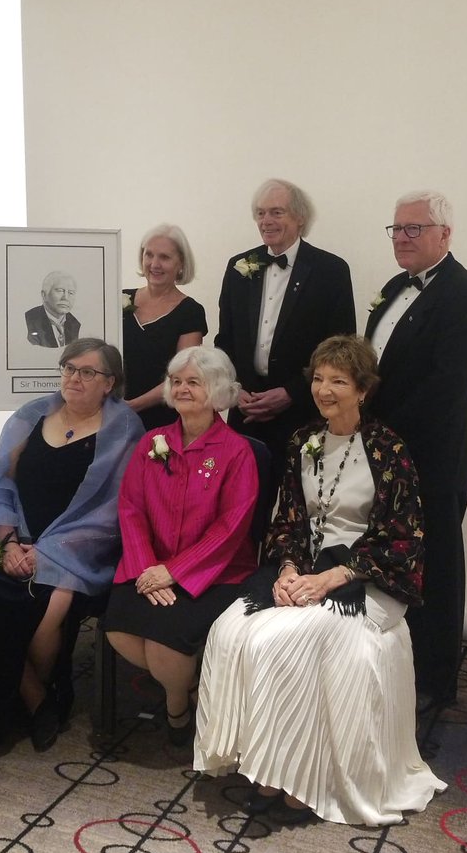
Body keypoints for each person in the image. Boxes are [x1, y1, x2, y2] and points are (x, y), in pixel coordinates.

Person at [194, 335, 447, 826]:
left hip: (367, 581)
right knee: (231, 630)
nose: (324, 389)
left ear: (363, 389)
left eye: (338, 380)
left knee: (278, 640)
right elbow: (285, 520)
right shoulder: (303, 441)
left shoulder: (387, 448)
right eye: (318, 378)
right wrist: (288, 570)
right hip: (307, 571)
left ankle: (293, 779)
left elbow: (404, 538)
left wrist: (334, 577)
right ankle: (265, 770)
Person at [0, 338, 143, 754]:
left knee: (48, 601)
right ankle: (38, 703)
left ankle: (39, 695)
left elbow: (113, 511)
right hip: (16, 538)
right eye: (69, 368)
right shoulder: (32, 415)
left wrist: (48, 551)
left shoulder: (124, 429)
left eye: (88, 372)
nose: (74, 378)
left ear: (110, 383)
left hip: (78, 548)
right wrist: (11, 541)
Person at [364, 191, 467, 709]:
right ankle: (392, 663)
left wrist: (385, 432)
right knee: (389, 558)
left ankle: (436, 679)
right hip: (384, 452)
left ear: (445, 234)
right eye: (395, 229)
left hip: (432, 457)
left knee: (435, 565)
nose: (401, 238)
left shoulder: (465, 296)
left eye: (413, 229)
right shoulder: (395, 286)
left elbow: (447, 385)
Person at [102, 346, 259, 745]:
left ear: (219, 390)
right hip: (149, 566)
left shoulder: (237, 451)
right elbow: (131, 508)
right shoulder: (152, 441)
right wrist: (146, 567)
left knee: (165, 643)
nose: (182, 389)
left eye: (194, 382)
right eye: (177, 382)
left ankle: (176, 707)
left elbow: (231, 527)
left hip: (214, 572)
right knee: (119, 629)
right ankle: (186, 689)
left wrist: (173, 571)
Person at [215, 178, 355, 492]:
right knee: (240, 505)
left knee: (299, 510)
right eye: (261, 213)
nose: (266, 221)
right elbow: (225, 340)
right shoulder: (239, 268)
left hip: (303, 413)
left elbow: (340, 350)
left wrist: (291, 392)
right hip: (246, 412)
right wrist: (234, 388)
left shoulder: (331, 271)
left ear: (300, 217)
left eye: (276, 212)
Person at [123, 224, 207, 430]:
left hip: (163, 420)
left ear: (181, 264)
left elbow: (183, 374)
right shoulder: (121, 298)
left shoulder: (191, 312)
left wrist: (133, 406)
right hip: (116, 415)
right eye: (148, 255)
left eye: (164, 257)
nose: (154, 264)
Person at [25, 270, 81, 347]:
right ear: (44, 295)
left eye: (71, 293)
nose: (66, 298)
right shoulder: (29, 320)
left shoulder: (74, 323)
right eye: (60, 291)